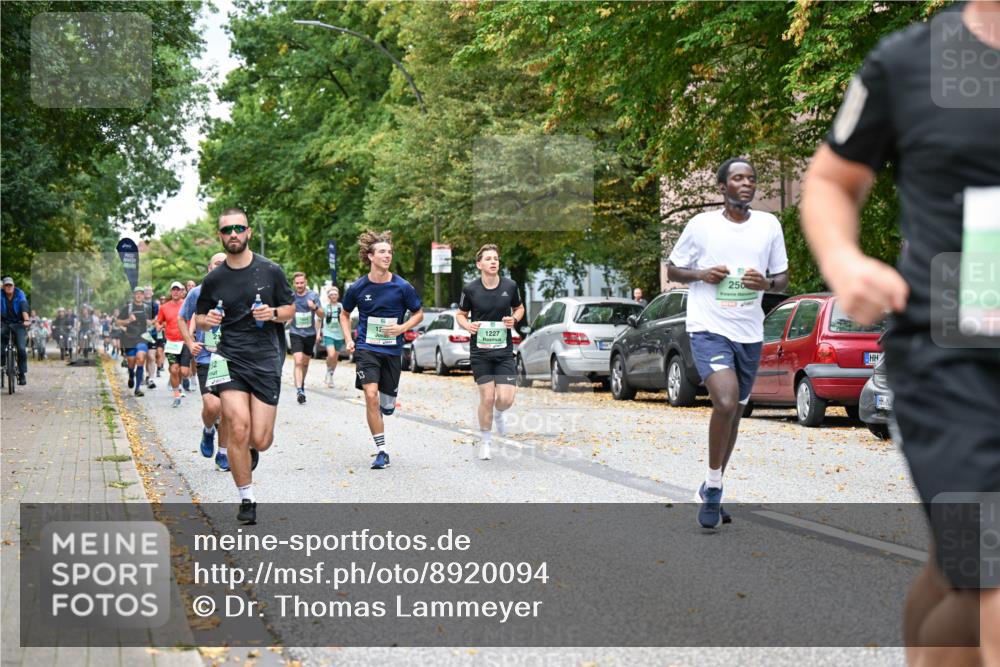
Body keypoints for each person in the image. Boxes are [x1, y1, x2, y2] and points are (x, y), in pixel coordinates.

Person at [801, 3, 1000, 662]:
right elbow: (831, 181)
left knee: (964, 577)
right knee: (991, 574)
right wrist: (845, 261)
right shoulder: (909, 62)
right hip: (956, 370)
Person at [667, 157, 789, 529]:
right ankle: (716, 486)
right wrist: (702, 274)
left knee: (734, 409)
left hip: (749, 333)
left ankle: (711, 482)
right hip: (708, 328)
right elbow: (673, 269)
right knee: (724, 399)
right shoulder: (701, 226)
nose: (746, 184)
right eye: (738, 178)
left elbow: (782, 278)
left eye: (751, 179)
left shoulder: (769, 225)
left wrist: (765, 284)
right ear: (722, 187)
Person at [196, 208, 294, 524]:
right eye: (227, 230)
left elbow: (290, 308)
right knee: (237, 425)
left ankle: (248, 449)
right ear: (221, 236)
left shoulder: (271, 271)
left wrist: (274, 314)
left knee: (261, 438)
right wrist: (206, 321)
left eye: (239, 228)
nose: (233, 234)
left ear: (248, 232)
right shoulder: (213, 279)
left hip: (265, 357)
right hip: (228, 357)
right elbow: (199, 316)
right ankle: (246, 498)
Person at [340, 230, 423, 470]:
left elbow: (418, 313)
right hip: (367, 348)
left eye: (389, 252)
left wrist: (402, 328)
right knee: (370, 395)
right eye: (382, 252)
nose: (387, 256)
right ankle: (382, 450)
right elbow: (344, 315)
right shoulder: (358, 287)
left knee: (386, 404)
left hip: (392, 351)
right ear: (370, 256)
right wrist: (348, 339)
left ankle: (389, 404)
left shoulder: (402, 286)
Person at [456, 244, 525, 461]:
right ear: (479, 264)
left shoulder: (510, 286)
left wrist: (513, 319)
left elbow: (520, 308)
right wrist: (468, 326)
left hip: (504, 352)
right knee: (487, 397)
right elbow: (460, 314)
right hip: (480, 353)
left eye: (496, 258)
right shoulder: (470, 289)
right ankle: (486, 441)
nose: (493, 262)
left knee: (505, 399)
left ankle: (499, 413)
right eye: (488, 259)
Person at [180, 253, 228, 470]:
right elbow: (182, 318)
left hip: (229, 357)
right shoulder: (197, 293)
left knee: (227, 409)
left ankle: (223, 453)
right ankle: (208, 430)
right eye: (217, 264)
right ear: (209, 268)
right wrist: (190, 343)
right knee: (212, 405)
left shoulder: (237, 291)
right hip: (207, 357)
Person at [288, 272, 323, 404]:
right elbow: (287, 311)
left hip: (310, 334)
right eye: (297, 283)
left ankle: (301, 384)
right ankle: (299, 390)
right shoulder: (291, 297)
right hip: (295, 332)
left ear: (306, 282)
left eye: (302, 282)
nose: (299, 285)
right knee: (298, 361)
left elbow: (322, 314)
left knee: (305, 363)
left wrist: (314, 307)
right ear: (294, 284)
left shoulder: (313, 295)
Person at [157, 281, 192, 408]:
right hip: (171, 344)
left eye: (178, 290)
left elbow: (193, 319)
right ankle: (176, 395)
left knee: (184, 372)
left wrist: (192, 334)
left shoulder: (187, 305)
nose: (176, 292)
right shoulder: (164, 307)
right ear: (171, 292)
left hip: (185, 342)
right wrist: (159, 326)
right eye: (174, 290)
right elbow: (158, 321)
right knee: (173, 370)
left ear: (182, 291)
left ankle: (180, 382)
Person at [116, 286, 152, 397]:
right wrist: (128, 320)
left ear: (143, 295)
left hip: (142, 337)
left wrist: (151, 323)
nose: (139, 295)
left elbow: (154, 321)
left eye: (141, 293)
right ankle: (131, 375)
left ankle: (137, 389)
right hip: (129, 338)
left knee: (140, 358)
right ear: (134, 295)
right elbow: (118, 322)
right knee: (131, 362)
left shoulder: (147, 308)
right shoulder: (127, 308)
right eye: (137, 293)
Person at [1, 277, 30, 385]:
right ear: (3, 287)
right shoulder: (0, 294)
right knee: (0, 347)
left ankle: (21, 373)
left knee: (21, 349)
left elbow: (23, 306)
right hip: (4, 323)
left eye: (10, 285)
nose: (9, 287)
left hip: (19, 323)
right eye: (6, 285)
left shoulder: (19, 293)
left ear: (14, 286)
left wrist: (26, 320)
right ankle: (2, 364)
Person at [322, 287, 346, 388]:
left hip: (339, 335)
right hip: (328, 333)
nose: (333, 296)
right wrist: (318, 332)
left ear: (338, 296)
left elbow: (346, 319)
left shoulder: (341, 306)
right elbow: (319, 319)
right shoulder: (325, 307)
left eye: (335, 294)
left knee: (335, 357)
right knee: (331, 354)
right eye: (331, 295)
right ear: (329, 296)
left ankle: (331, 375)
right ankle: (328, 370)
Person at [144, 286, 159, 388]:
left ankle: (151, 378)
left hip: (152, 334)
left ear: (152, 293)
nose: (148, 292)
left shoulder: (155, 305)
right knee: (144, 357)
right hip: (141, 334)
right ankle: (146, 375)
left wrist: (152, 322)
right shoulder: (139, 304)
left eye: (149, 291)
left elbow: (159, 317)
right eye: (146, 291)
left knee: (151, 356)